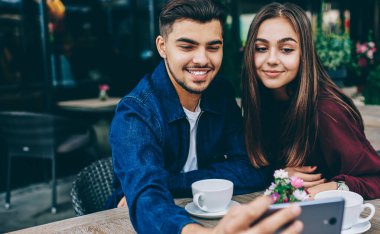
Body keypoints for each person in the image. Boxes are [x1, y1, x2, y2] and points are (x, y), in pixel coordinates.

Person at [109, 0, 305, 233]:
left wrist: (168, 182)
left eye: (213, 47)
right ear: (162, 47)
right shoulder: (136, 112)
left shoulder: (219, 92)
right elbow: (146, 199)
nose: (202, 59)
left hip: (212, 214)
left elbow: (251, 169)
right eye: (187, 47)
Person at [241, 2, 380, 200]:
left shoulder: (326, 110)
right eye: (261, 48)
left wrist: (338, 187)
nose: (271, 59)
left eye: (286, 49)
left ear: (304, 55)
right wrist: (281, 175)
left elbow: (375, 177)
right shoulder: (262, 100)